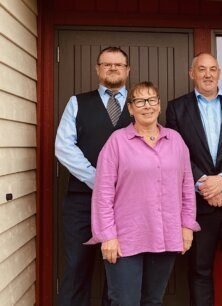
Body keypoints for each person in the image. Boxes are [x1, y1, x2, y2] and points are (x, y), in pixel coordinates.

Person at [86, 81, 200, 305]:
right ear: (130, 108)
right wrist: (107, 235)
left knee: (153, 300)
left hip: (165, 236)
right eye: (139, 101)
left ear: (158, 105)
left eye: (151, 100)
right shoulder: (117, 142)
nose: (146, 106)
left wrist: (187, 227)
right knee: (124, 301)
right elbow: (103, 193)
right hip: (125, 239)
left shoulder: (175, 140)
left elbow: (187, 187)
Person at [166, 53, 222, 306]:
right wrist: (205, 184)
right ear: (192, 73)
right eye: (201, 69)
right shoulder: (177, 108)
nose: (208, 74)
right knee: (199, 271)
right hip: (197, 205)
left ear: (219, 72)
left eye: (212, 69)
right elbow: (177, 152)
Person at [55, 47, 132, 306]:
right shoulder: (77, 102)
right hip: (82, 201)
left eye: (118, 64)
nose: (112, 68)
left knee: (119, 271)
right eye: (106, 64)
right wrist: (98, 179)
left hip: (125, 203)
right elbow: (63, 146)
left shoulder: (139, 105)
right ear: (98, 69)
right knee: (77, 266)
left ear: (127, 70)